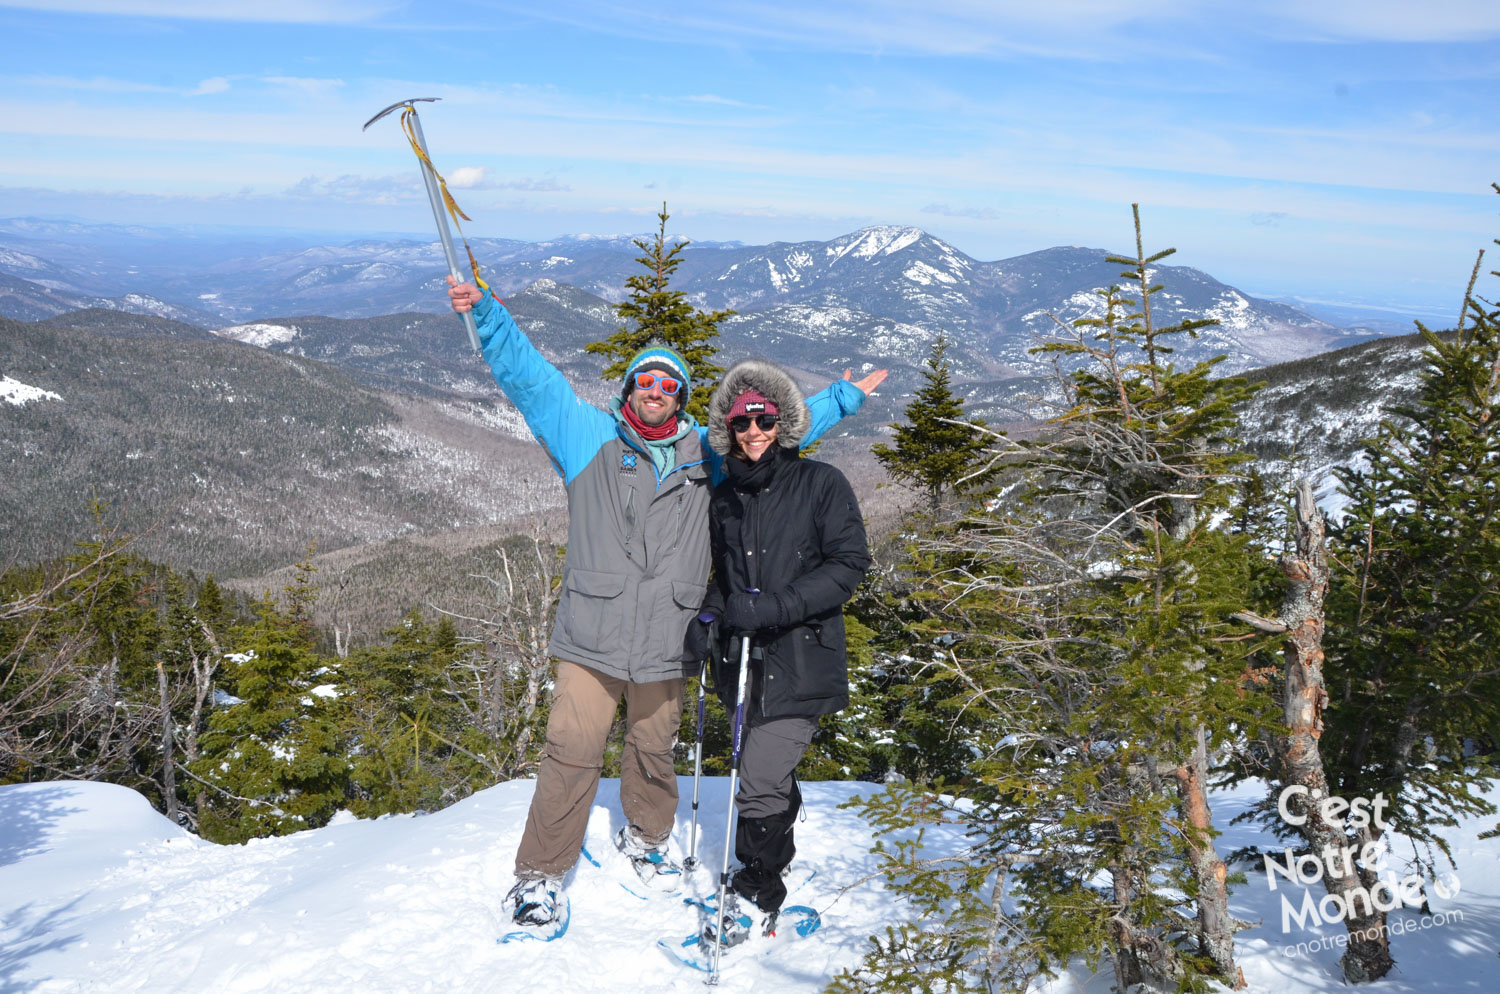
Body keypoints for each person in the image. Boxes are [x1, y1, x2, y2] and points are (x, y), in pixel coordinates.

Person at [444, 278, 886, 931]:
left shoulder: (704, 454)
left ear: (680, 398)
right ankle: (539, 876)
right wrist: (485, 314)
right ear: (628, 391)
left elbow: (768, 430)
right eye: (645, 382)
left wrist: (841, 398)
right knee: (571, 748)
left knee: (654, 750)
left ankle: (647, 839)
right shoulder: (584, 436)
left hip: (669, 637)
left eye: (670, 385)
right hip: (592, 633)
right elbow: (530, 378)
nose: (656, 391)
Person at [688, 358, 871, 945]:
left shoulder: (821, 484)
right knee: (763, 769)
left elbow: (848, 566)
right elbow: (722, 573)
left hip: (800, 656)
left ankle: (755, 889)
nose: (754, 431)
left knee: (758, 779)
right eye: (742, 422)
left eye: (765, 419)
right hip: (742, 661)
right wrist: (712, 611)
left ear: (784, 422)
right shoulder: (724, 498)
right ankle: (779, 835)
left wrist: (773, 607)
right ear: (728, 428)